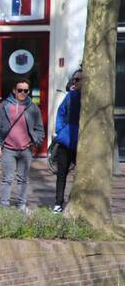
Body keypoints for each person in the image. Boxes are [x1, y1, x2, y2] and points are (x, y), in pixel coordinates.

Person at [0, 77, 45, 210]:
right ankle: (4, 206)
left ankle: (21, 205)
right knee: (7, 179)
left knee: (23, 180)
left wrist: (35, 142)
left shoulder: (33, 108)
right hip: (8, 149)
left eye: (26, 91)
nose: (23, 93)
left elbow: (39, 128)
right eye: (20, 90)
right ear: (14, 91)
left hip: (25, 149)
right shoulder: (4, 106)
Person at [51, 69, 82, 213]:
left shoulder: (89, 99)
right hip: (66, 140)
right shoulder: (70, 96)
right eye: (74, 80)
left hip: (82, 143)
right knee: (62, 173)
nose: (74, 83)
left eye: (77, 80)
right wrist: (61, 130)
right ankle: (58, 202)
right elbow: (61, 113)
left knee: (81, 173)